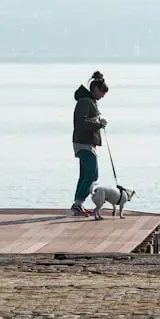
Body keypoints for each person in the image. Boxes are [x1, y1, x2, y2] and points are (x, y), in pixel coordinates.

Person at [70, 70, 108, 216]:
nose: (103, 95)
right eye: (102, 91)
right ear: (95, 89)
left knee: (86, 175)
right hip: (83, 143)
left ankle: (78, 204)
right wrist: (99, 124)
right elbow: (82, 122)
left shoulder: (89, 101)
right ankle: (78, 203)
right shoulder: (85, 102)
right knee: (92, 174)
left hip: (85, 143)